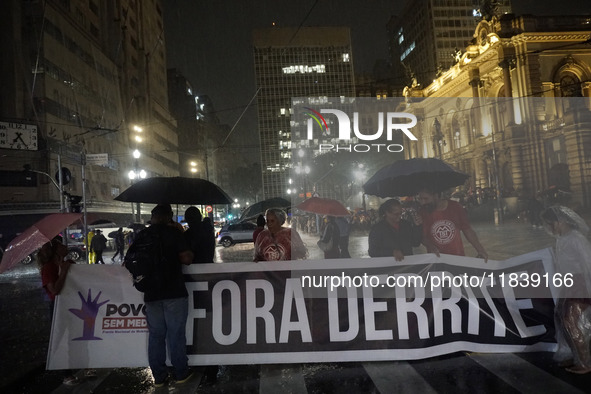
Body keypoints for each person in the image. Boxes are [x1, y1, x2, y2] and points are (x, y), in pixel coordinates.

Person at [138, 204, 194, 387]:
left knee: (156, 335)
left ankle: (159, 377)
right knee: (176, 334)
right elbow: (186, 258)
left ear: (153, 216)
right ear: (169, 216)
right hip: (173, 291)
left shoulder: (143, 235)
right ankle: (181, 372)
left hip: (151, 293)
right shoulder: (173, 234)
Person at [541, 205, 591, 374]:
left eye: (551, 223)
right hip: (568, 284)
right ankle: (575, 356)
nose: (550, 227)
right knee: (563, 320)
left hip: (579, 284)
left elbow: (588, 263)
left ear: (561, 221)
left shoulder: (576, 238)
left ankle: (585, 362)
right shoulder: (562, 238)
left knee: (571, 321)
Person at [37, 237, 82, 385]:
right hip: (58, 307)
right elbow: (55, 290)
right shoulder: (48, 268)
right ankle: (66, 374)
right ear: (56, 250)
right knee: (63, 339)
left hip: (73, 305)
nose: (66, 246)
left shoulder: (68, 263)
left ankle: (83, 365)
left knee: (77, 337)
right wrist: (63, 272)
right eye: (62, 245)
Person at [418, 188, 488, 262]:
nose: (423, 202)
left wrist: (480, 250)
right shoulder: (423, 212)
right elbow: (422, 237)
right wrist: (430, 246)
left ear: (436, 196)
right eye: (420, 199)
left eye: (426, 199)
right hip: (436, 259)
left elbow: (467, 230)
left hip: (457, 258)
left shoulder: (455, 207)